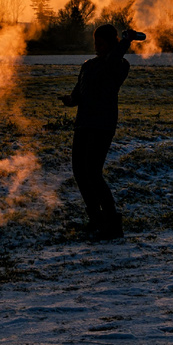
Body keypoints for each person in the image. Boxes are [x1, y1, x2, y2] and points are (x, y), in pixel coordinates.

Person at [60, 22, 133, 240]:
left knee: (92, 172)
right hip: (83, 123)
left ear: (113, 44)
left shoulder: (119, 66)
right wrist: (71, 100)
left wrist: (126, 41)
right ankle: (96, 219)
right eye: (96, 43)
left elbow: (112, 61)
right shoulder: (88, 66)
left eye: (102, 44)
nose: (97, 47)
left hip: (102, 125)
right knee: (80, 172)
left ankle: (112, 223)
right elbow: (78, 95)